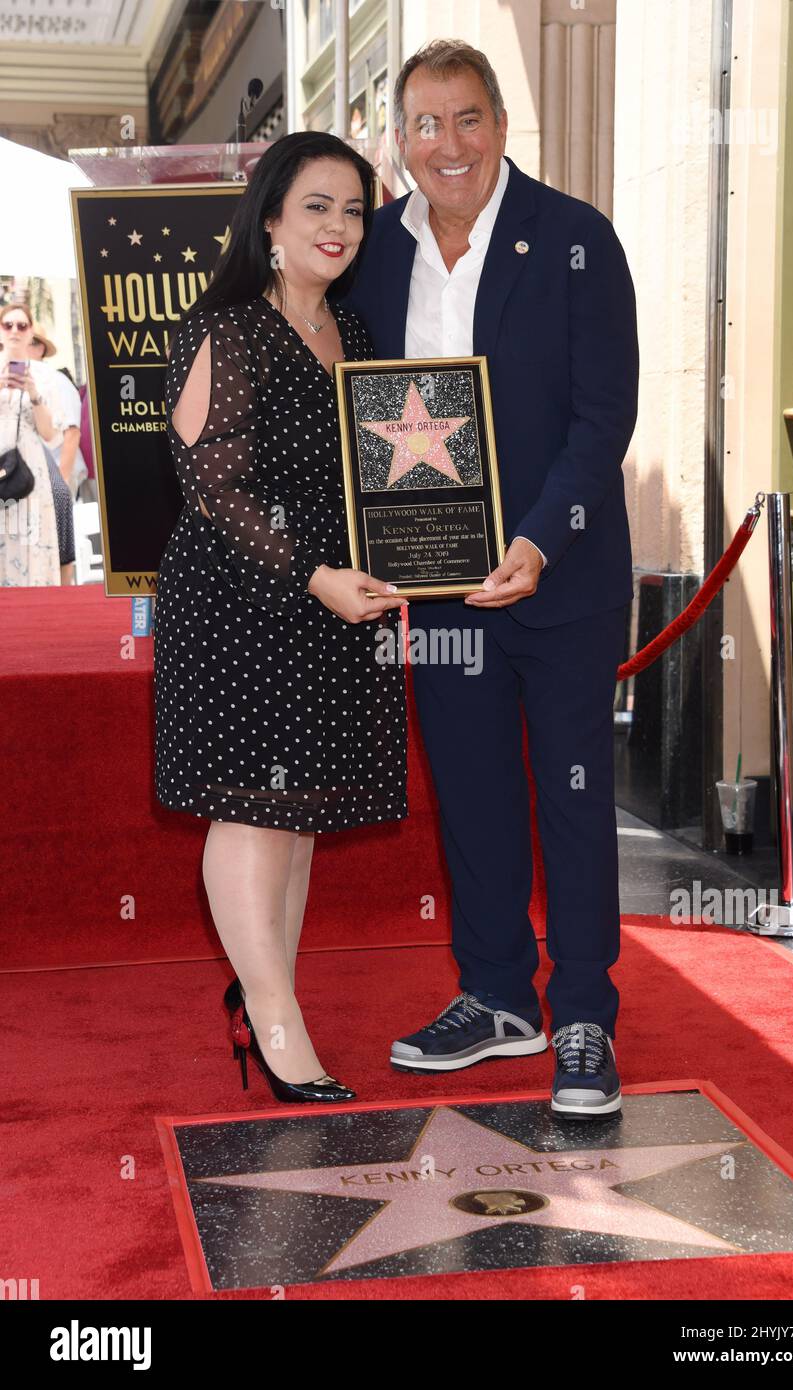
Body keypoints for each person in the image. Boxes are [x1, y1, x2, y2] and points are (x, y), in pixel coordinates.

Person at [346, 40, 639, 1117]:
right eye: (425, 125)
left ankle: (582, 1018)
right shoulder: (376, 249)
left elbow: (605, 417)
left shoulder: (575, 240)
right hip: (432, 589)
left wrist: (541, 539)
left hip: (559, 580)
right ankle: (495, 994)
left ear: (501, 124)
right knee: (470, 794)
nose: (447, 145)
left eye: (466, 119)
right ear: (403, 140)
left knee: (570, 798)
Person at [153, 132, 407, 1105]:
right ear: (268, 219)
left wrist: (401, 565)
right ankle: (276, 1021)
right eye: (317, 206)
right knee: (253, 811)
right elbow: (213, 489)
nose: (339, 227)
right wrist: (316, 576)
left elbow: (387, 480)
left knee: (295, 816)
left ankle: (265, 995)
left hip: (335, 601)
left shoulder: (362, 335)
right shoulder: (224, 327)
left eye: (353, 210)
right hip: (242, 600)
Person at [0, 302, 66, 586]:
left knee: (32, 539)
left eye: (22, 325)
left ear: (31, 333)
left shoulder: (45, 376)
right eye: (8, 325)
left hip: (30, 468)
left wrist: (34, 394)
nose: (15, 330)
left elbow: (51, 434)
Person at [29, 324, 88, 500]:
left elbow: (72, 433)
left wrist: (60, 483)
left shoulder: (58, 382)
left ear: (40, 348)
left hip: (54, 476)